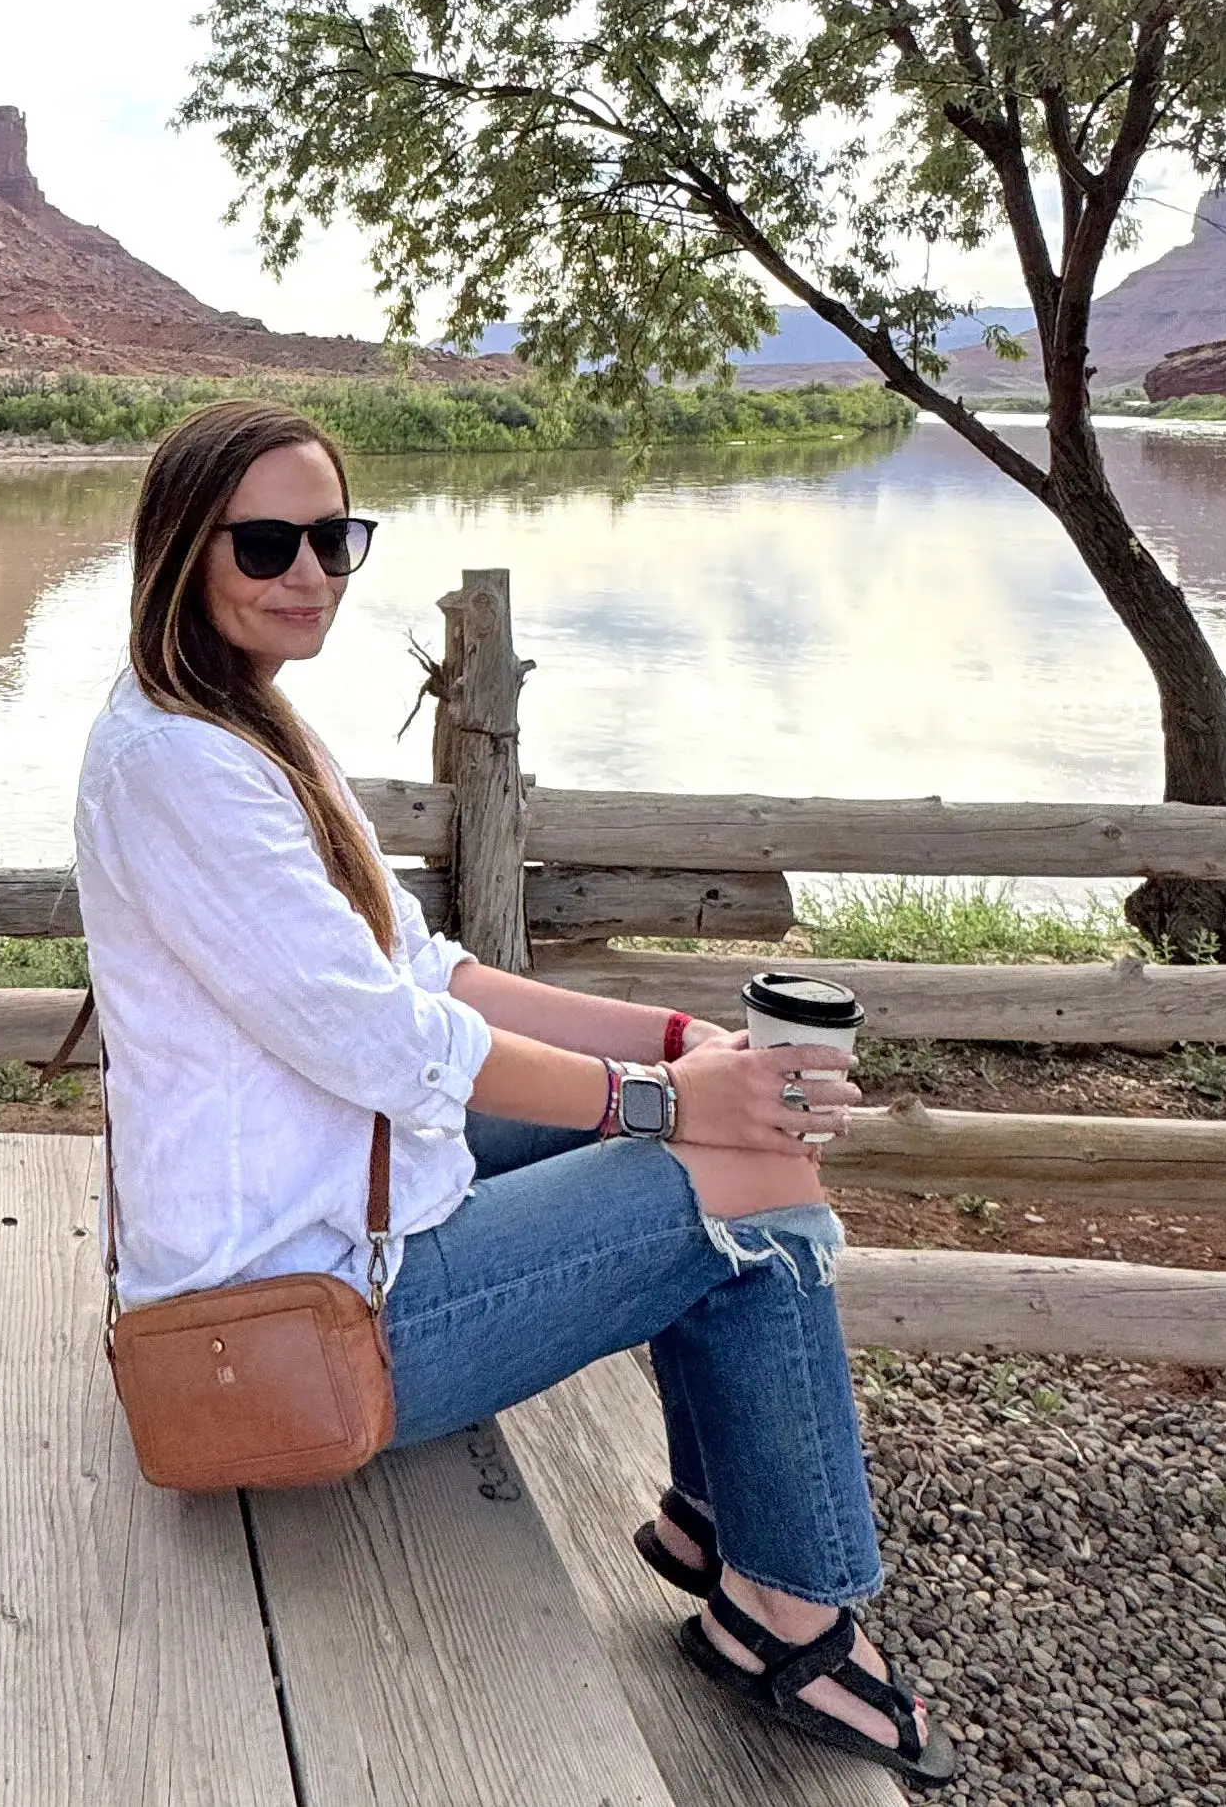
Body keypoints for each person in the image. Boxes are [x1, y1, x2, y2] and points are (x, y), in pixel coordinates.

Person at [72, 397, 957, 1787]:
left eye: (333, 537)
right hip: (291, 1310)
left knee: (742, 1137)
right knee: (758, 1187)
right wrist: (664, 1108)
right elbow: (384, 1044)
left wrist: (676, 1044)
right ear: (182, 549)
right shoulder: (182, 763)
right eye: (265, 542)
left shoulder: (247, 723)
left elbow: (435, 976)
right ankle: (789, 1612)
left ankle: (721, 1531)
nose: (309, 571)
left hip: (322, 1192)